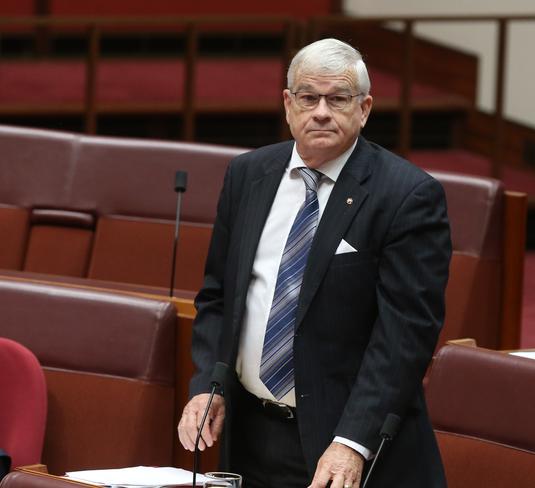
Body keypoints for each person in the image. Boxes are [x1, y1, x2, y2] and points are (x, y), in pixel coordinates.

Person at [177, 38, 451, 488]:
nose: (321, 112)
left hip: (344, 447)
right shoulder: (248, 175)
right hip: (249, 435)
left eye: (338, 99)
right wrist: (210, 381)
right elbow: (218, 296)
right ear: (288, 104)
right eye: (308, 97)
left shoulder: (406, 197)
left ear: (363, 109)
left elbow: (404, 337)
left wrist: (353, 441)